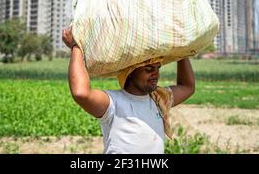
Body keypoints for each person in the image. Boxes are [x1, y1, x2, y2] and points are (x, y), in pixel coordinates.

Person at [62, 26, 196, 154]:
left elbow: (187, 87)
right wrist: (76, 46)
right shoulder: (113, 103)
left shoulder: (159, 99)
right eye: (149, 70)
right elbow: (81, 93)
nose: (156, 74)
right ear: (130, 72)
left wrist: (182, 52)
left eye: (157, 68)